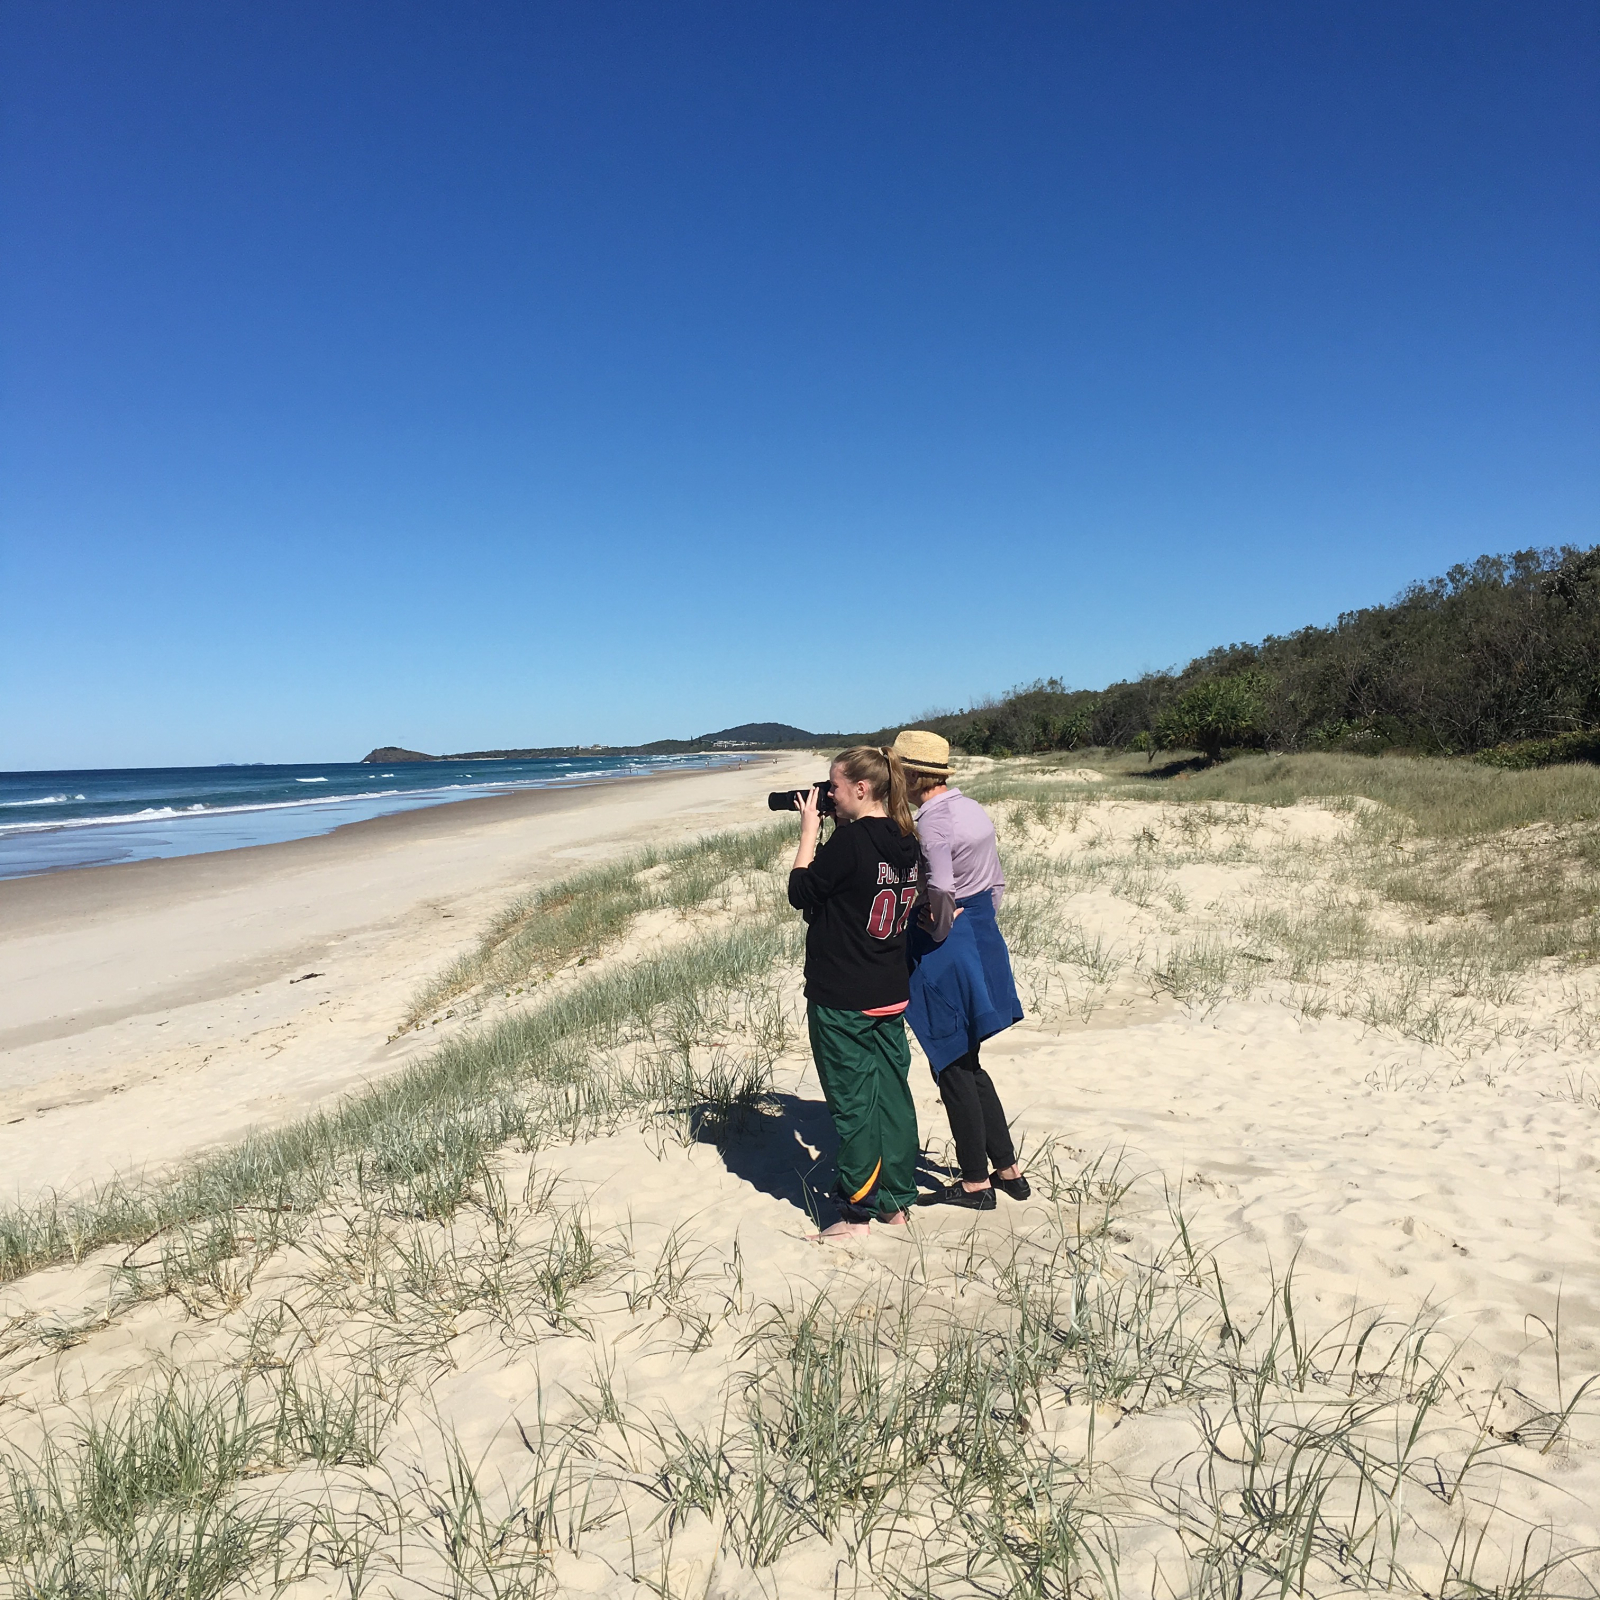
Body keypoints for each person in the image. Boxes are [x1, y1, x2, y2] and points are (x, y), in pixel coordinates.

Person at [787, 746, 923, 1240]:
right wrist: (839, 823)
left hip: (844, 993)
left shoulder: (849, 843)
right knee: (892, 1097)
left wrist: (809, 832)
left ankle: (854, 1213)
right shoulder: (907, 838)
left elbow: (801, 892)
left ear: (861, 789)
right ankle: (895, 1200)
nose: (829, 795)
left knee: (853, 1103)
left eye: (835, 787)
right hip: (888, 986)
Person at [891, 729, 1029, 1210]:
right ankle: (1007, 1169)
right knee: (968, 1059)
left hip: (949, 947)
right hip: (983, 935)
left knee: (949, 1060)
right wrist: (977, 922)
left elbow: (943, 889)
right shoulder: (971, 808)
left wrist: (937, 927)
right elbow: (996, 881)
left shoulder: (933, 821)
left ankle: (974, 1182)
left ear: (911, 775)